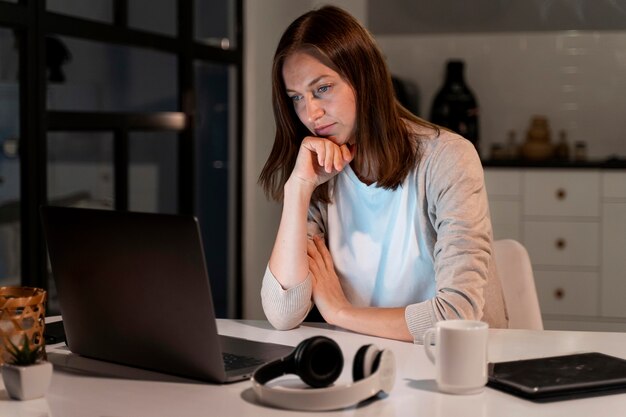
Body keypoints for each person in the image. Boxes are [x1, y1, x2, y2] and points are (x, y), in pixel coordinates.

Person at [258, 5, 508, 343]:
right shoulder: (321, 173)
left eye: (322, 89)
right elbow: (283, 312)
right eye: (296, 98)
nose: (310, 113)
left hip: (453, 370)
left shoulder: (447, 158)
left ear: (364, 78)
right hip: (365, 363)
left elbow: (456, 317)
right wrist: (298, 190)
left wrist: (339, 312)